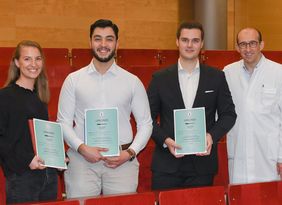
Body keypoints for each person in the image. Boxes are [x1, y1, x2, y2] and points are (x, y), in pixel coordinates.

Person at [57, 19, 152, 198]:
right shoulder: (73, 80)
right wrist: (82, 148)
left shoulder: (132, 81)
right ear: (90, 42)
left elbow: (146, 124)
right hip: (81, 160)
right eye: (97, 38)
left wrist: (130, 152)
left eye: (109, 39)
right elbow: (63, 122)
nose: (103, 44)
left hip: (122, 161)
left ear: (117, 43)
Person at [147, 21, 236, 190]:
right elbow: (146, 118)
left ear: (202, 44)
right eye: (185, 40)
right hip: (166, 165)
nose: (189, 45)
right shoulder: (159, 79)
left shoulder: (216, 77)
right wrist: (166, 140)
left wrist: (211, 136)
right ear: (177, 42)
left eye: (195, 40)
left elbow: (228, 114)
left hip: (202, 166)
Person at [0, 40, 58, 204]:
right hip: (22, 179)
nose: (33, 64)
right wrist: (27, 160)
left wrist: (58, 157)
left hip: (48, 176)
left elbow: (42, 138)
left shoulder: (40, 98)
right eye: (27, 59)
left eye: (38, 59)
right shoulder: (4, 97)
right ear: (17, 62)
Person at [224, 28, 282, 184]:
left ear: (261, 45)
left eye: (252, 43)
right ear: (236, 47)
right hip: (239, 153)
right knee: (240, 197)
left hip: (269, 156)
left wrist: (281, 156)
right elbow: (221, 115)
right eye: (243, 44)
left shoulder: (278, 72)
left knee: (269, 198)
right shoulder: (228, 73)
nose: (248, 49)